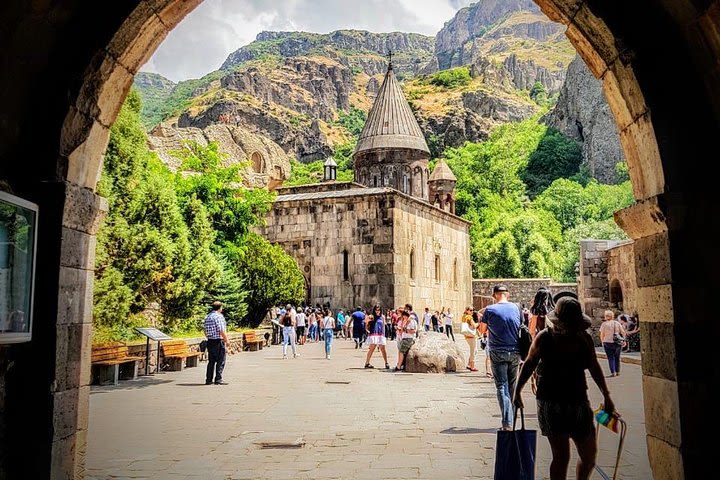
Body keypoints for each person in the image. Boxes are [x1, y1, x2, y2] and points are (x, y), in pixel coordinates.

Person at [513, 297, 616, 480]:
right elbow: (529, 363)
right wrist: (517, 391)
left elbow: (594, 366)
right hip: (551, 401)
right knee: (561, 456)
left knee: (589, 456)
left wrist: (607, 395)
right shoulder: (544, 338)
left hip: (578, 399)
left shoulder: (583, 339)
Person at [480, 284, 522, 430]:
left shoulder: (490, 310)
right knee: (512, 386)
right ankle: (511, 420)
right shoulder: (517, 308)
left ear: (494, 295)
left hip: (497, 351)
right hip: (515, 351)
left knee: (502, 386)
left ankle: (507, 423)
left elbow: (482, 330)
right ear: (507, 294)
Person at [203, 300, 229, 385]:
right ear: (220, 308)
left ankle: (208, 379)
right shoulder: (219, 316)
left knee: (211, 361)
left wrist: (209, 337)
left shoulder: (208, 316)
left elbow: (205, 330)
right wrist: (226, 340)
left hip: (210, 341)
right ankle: (218, 379)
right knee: (221, 360)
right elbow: (221, 330)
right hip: (218, 341)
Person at [599, 310, 626, 376]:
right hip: (617, 343)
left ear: (606, 316)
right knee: (617, 357)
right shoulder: (617, 323)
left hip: (607, 342)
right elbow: (623, 332)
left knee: (610, 358)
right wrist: (624, 340)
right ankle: (618, 372)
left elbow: (602, 334)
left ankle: (613, 372)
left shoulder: (604, 324)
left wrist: (602, 341)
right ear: (612, 316)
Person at [365, 305, 390, 369]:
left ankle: (386, 363)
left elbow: (384, 326)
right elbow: (366, 323)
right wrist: (367, 329)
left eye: (378, 310)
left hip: (380, 334)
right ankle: (367, 363)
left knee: (383, 349)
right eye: (376, 310)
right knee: (372, 349)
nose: (377, 311)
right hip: (374, 334)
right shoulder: (372, 316)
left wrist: (384, 335)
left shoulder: (382, 317)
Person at [462, 307, 479, 372]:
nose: (472, 311)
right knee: (473, 351)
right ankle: (472, 366)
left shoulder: (464, 316)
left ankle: (469, 364)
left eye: (473, 310)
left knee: (475, 351)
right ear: (467, 310)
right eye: (471, 310)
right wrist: (479, 323)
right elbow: (474, 326)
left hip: (467, 336)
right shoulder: (469, 317)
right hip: (471, 336)